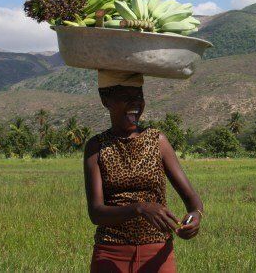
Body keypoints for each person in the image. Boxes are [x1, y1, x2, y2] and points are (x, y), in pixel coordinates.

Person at [84, 70, 203, 273]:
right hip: (111, 252)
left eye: (139, 95)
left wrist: (194, 217)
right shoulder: (96, 147)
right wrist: (139, 208)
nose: (136, 103)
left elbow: (193, 200)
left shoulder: (157, 141)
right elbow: (96, 213)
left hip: (157, 253)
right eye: (126, 96)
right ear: (105, 100)